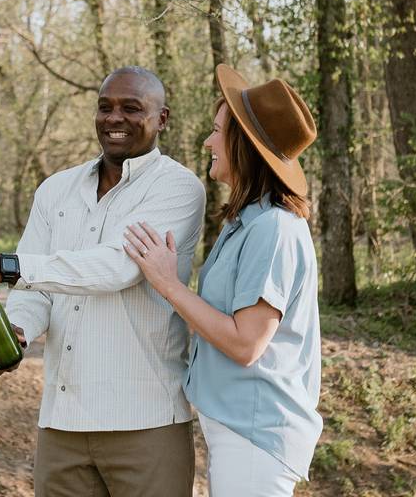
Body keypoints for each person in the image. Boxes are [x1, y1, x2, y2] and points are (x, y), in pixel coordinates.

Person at [0, 66, 206, 497]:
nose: (114, 118)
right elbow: (37, 288)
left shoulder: (178, 189)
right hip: (62, 422)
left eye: (131, 108)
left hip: (145, 422)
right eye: (104, 107)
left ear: (162, 118)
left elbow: (117, 268)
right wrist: (18, 331)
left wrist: (7, 266)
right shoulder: (56, 190)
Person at [123, 63, 322, 497]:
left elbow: (245, 344)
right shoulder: (247, 223)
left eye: (217, 131)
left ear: (244, 144)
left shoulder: (274, 228)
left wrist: (168, 283)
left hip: (255, 431)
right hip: (238, 426)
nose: (208, 141)